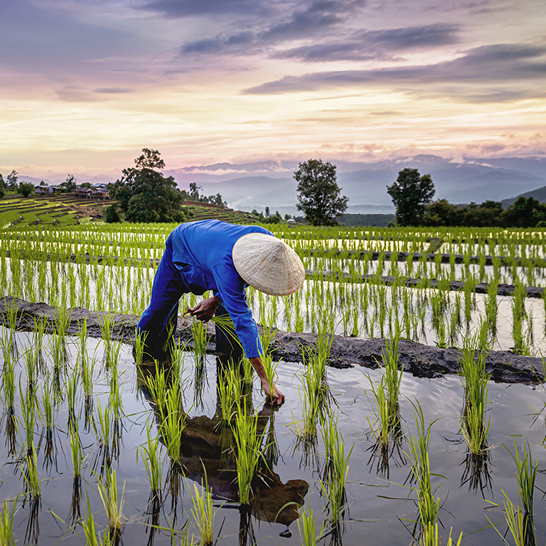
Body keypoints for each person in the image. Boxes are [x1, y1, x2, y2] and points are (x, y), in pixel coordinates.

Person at [136, 219, 305, 406]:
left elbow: (240, 280)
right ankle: (146, 356)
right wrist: (266, 379)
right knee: (158, 311)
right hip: (183, 244)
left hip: (212, 250)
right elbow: (243, 321)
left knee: (228, 312)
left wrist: (216, 300)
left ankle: (230, 362)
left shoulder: (268, 243)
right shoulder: (225, 266)